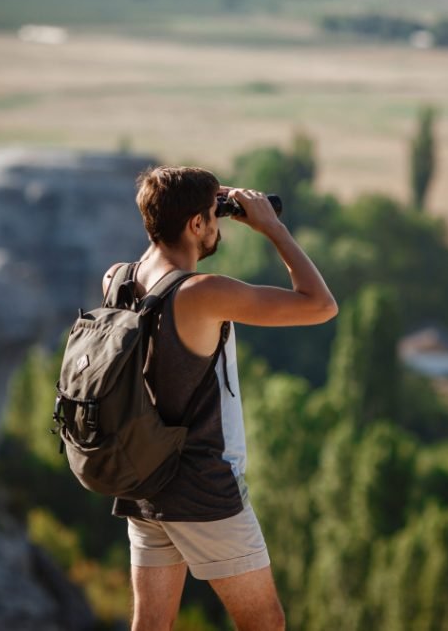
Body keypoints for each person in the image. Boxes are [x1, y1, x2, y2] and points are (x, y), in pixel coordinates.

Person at [102, 165, 338, 631]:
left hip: (143, 477)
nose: (218, 223)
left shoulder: (118, 280)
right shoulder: (202, 294)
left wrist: (199, 201)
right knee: (264, 623)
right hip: (201, 486)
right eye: (214, 215)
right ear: (195, 224)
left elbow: (162, 260)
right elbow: (319, 304)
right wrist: (272, 227)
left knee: (150, 623)